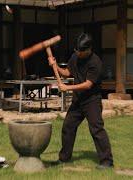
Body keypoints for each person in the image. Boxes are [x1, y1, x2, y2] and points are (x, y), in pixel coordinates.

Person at [48, 33, 114, 169]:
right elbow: (67, 72)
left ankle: (107, 162)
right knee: (68, 127)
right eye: (76, 50)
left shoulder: (95, 62)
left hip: (92, 101)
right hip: (78, 100)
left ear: (88, 49)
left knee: (96, 129)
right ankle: (64, 159)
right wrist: (55, 66)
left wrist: (67, 87)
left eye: (80, 51)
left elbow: (88, 84)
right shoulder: (75, 56)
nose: (77, 53)